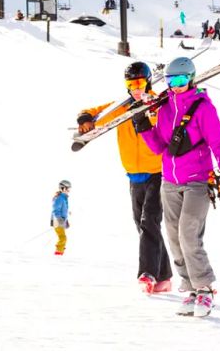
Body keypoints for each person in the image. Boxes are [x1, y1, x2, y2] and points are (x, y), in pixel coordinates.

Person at [132, 56, 220, 317]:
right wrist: (144, 127)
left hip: (197, 181)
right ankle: (190, 288)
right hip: (169, 181)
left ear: (190, 79)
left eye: (180, 80)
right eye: (170, 81)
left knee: (189, 234)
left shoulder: (203, 107)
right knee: (173, 237)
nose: (175, 86)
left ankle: (204, 289)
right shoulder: (165, 108)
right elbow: (158, 146)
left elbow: (219, 143)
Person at [77, 62, 173, 294]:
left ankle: (147, 273)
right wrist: (85, 119)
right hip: (134, 175)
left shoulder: (157, 104)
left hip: (158, 172)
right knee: (142, 225)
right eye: (131, 84)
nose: (136, 88)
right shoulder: (122, 107)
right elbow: (95, 112)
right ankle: (164, 277)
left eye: (140, 83)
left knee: (149, 221)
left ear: (148, 82)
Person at [51, 180, 71, 256]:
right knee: (62, 238)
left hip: (60, 221)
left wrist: (66, 221)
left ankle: (60, 252)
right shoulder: (59, 198)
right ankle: (58, 253)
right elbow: (56, 210)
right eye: (67, 189)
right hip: (57, 221)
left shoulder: (64, 198)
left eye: (69, 189)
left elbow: (63, 212)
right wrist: (60, 220)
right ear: (62, 188)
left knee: (63, 238)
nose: (69, 191)